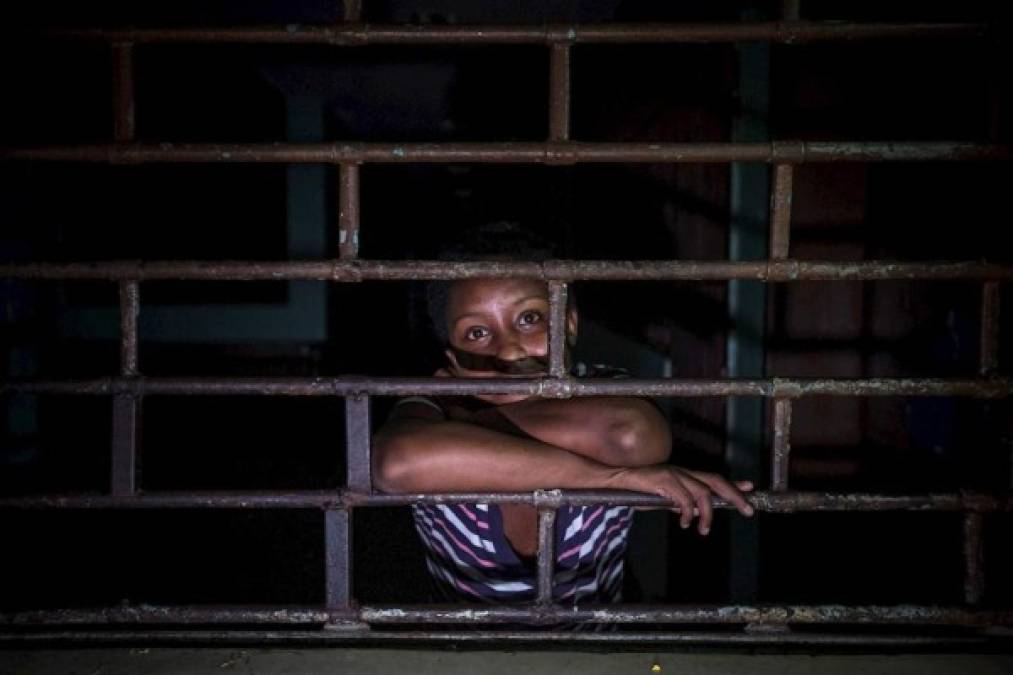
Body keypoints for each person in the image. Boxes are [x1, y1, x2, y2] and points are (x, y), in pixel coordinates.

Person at [372, 223, 754, 605]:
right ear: (452, 361)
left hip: (595, 653)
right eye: (476, 333)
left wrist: (457, 431)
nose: (508, 352)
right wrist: (613, 479)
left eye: (528, 319)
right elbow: (396, 464)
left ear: (568, 322)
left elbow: (631, 437)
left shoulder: (602, 386)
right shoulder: (429, 400)